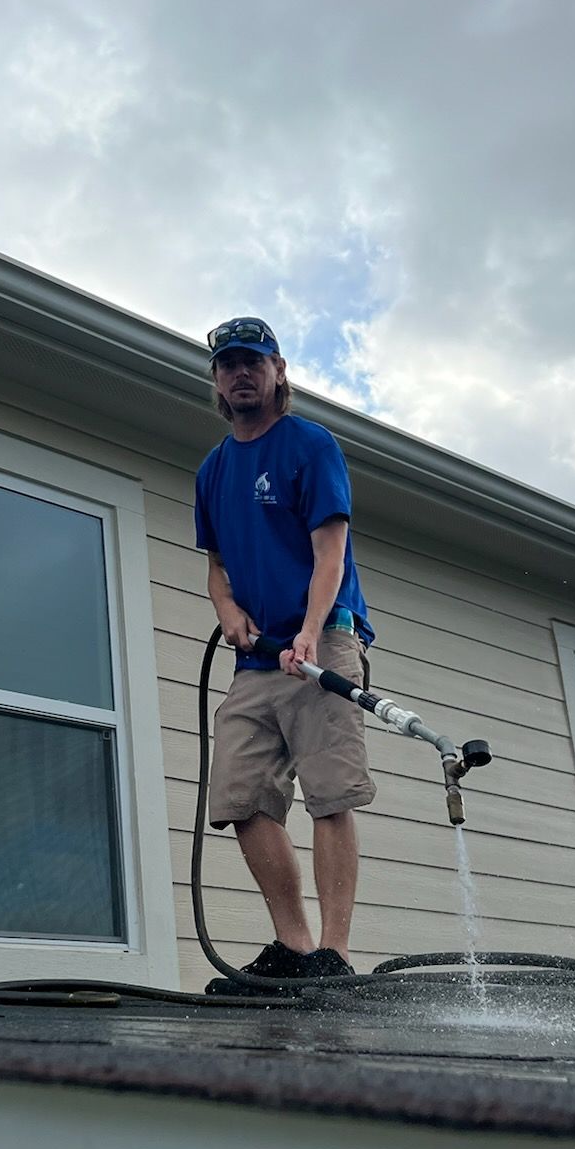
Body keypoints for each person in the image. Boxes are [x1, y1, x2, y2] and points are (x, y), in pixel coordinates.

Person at [194, 315, 377, 980]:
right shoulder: (213, 469)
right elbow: (216, 564)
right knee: (242, 798)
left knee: (329, 795)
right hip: (257, 656)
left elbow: (331, 553)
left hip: (322, 641)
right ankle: (295, 945)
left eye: (253, 361)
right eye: (227, 364)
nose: (240, 373)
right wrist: (226, 607)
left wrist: (309, 629)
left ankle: (335, 953)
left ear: (278, 372)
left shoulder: (310, 446)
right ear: (216, 379)